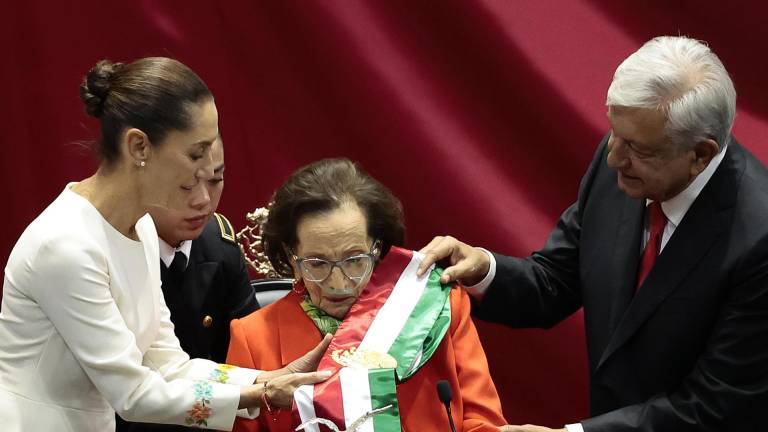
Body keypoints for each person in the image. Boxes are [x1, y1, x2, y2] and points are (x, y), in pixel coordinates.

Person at [418, 36, 768, 432]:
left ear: (699, 154)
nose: (614, 156)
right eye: (614, 132)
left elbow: (715, 407)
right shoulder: (623, 164)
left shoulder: (759, 240)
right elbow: (554, 282)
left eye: (636, 147)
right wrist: (483, 271)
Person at [0, 57, 329, 432]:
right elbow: (134, 396)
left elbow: (168, 364)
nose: (208, 167)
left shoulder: (139, 224)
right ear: (139, 146)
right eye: (195, 153)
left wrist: (264, 381)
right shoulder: (65, 246)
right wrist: (260, 395)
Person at [226, 159, 506, 432]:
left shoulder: (437, 306)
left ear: (378, 248)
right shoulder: (252, 338)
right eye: (317, 263)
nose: (338, 283)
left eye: (354, 259)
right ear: (291, 257)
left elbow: (483, 423)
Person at [116, 138, 260, 432]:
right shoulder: (111, 253)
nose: (203, 200)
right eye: (186, 186)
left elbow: (247, 351)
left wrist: (269, 383)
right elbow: (126, 394)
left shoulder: (219, 246)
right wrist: (261, 390)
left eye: (216, 180)